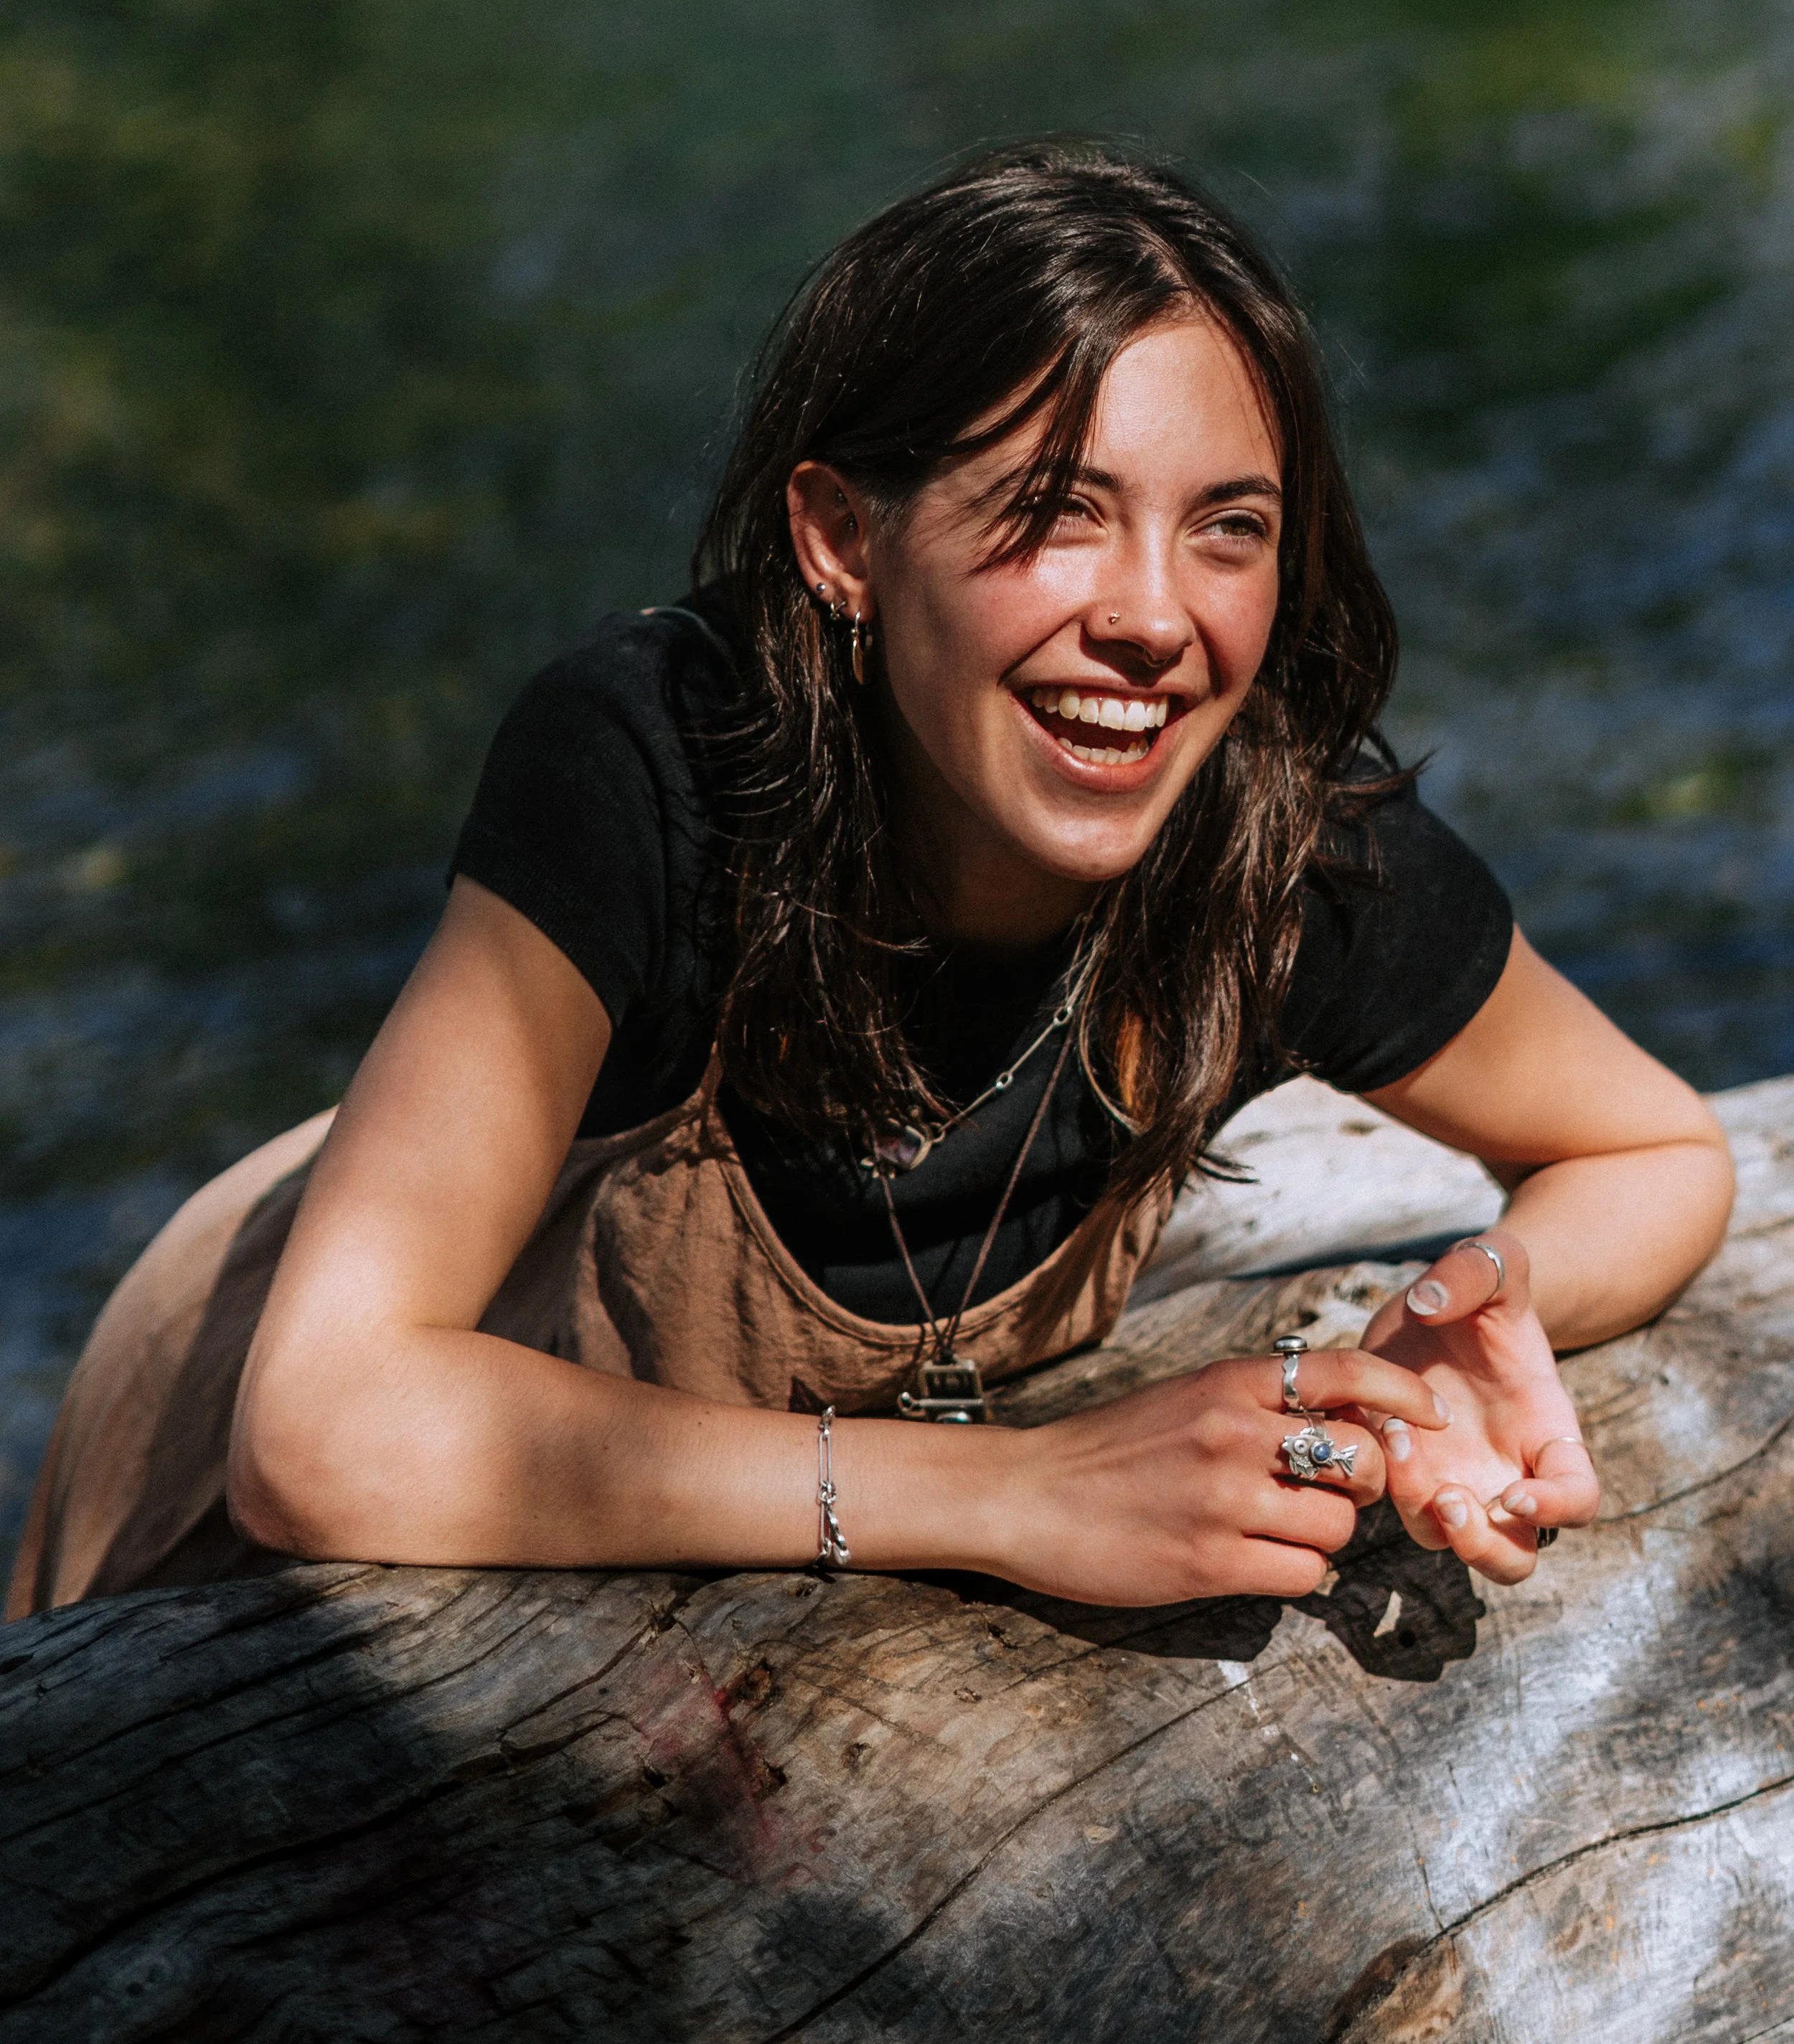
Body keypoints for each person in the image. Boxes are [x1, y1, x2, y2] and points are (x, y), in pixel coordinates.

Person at [8, 146, 1733, 1620]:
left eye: (1229, 525)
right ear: (840, 539)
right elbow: (323, 1425)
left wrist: (1443, 1328)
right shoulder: (657, 767)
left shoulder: (1277, 841)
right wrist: (1015, 1495)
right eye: (1057, 509)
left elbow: (1647, 1148)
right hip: (243, 1439)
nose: (1154, 615)